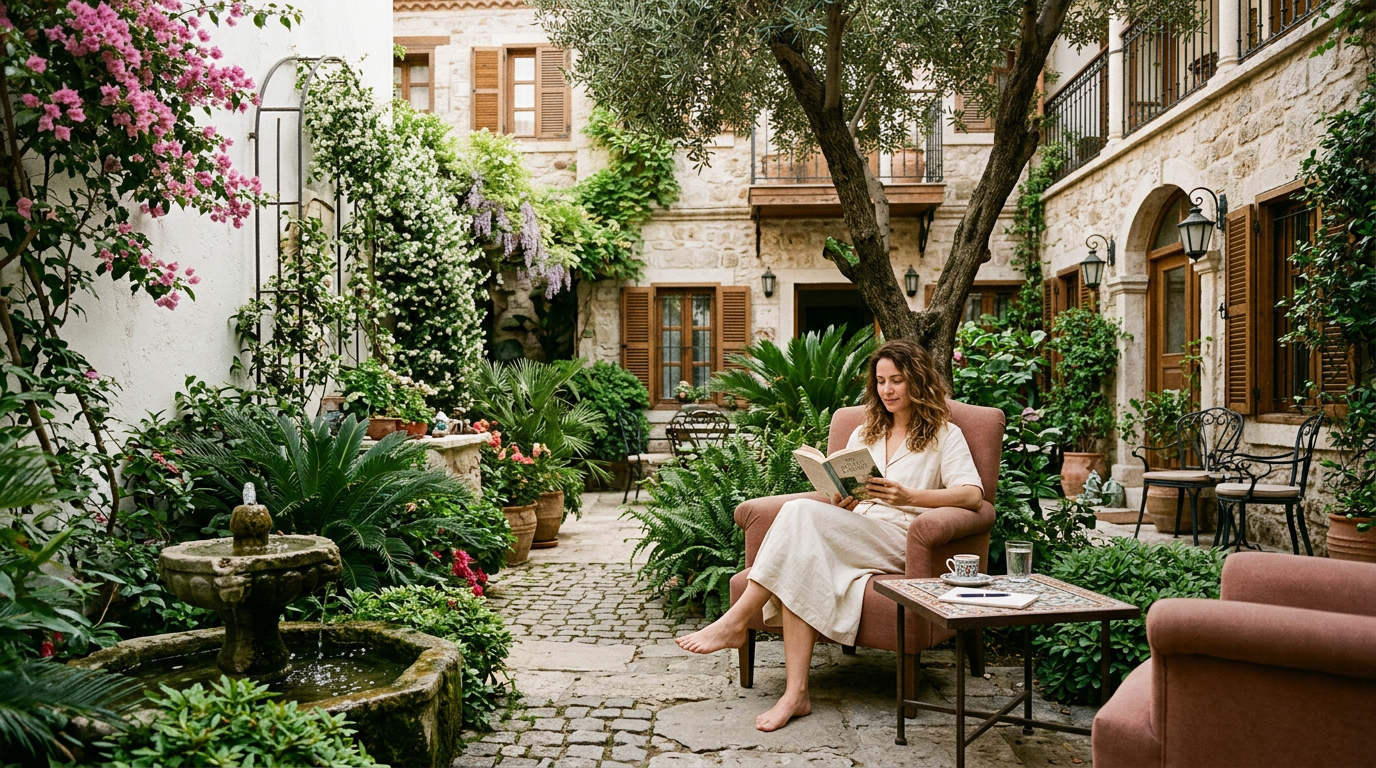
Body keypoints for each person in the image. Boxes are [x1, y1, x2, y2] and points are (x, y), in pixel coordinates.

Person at [675, 339, 985, 731]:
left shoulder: (945, 434)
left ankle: (737, 620)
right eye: (880, 381)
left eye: (897, 381)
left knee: (799, 511)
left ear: (918, 382)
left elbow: (973, 497)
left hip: (903, 536)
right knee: (802, 551)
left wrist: (910, 496)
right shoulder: (867, 431)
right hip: (858, 527)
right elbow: (846, 489)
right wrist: (842, 501)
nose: (887, 390)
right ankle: (796, 693)